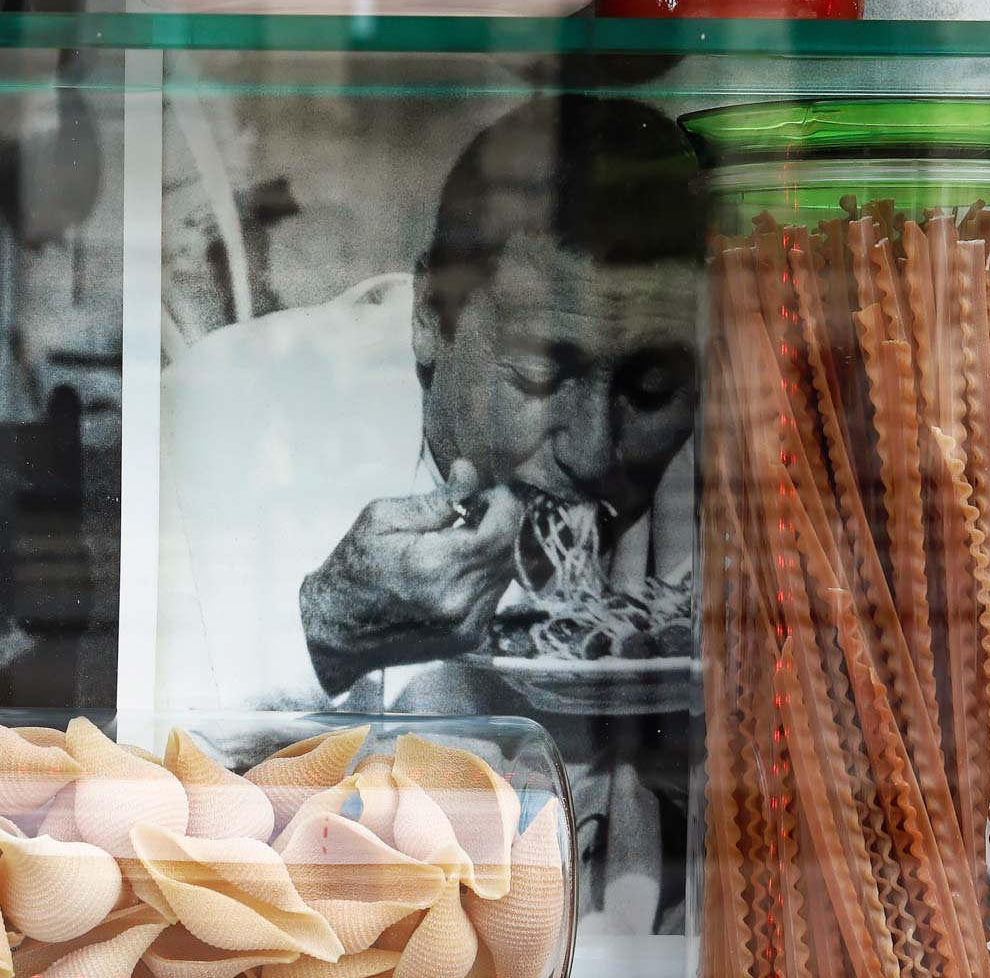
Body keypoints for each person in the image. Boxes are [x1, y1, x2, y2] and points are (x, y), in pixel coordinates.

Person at [158, 94, 704, 931]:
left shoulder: (752, 449)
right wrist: (324, 629)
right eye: (538, 377)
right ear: (427, 318)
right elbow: (124, 764)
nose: (595, 451)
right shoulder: (233, 410)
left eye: (654, 388)